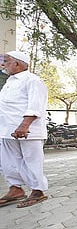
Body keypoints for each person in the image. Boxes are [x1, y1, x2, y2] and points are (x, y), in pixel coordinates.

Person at [0, 51, 49, 208]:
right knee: (9, 161)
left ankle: (37, 190)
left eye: (6, 61)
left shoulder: (32, 80)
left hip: (28, 130)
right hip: (7, 129)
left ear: (17, 63)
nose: (3, 64)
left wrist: (24, 125)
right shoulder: (10, 81)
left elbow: (36, 105)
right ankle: (15, 189)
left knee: (31, 160)